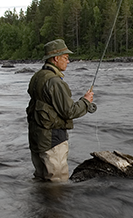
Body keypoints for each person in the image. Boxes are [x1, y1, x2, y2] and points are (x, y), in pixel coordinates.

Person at [27, 39, 97, 182]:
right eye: (65, 57)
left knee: (41, 180)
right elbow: (69, 111)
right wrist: (85, 101)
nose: (68, 61)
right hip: (52, 140)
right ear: (55, 58)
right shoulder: (54, 82)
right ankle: (55, 204)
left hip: (37, 138)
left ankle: (40, 204)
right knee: (57, 183)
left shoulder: (37, 77)